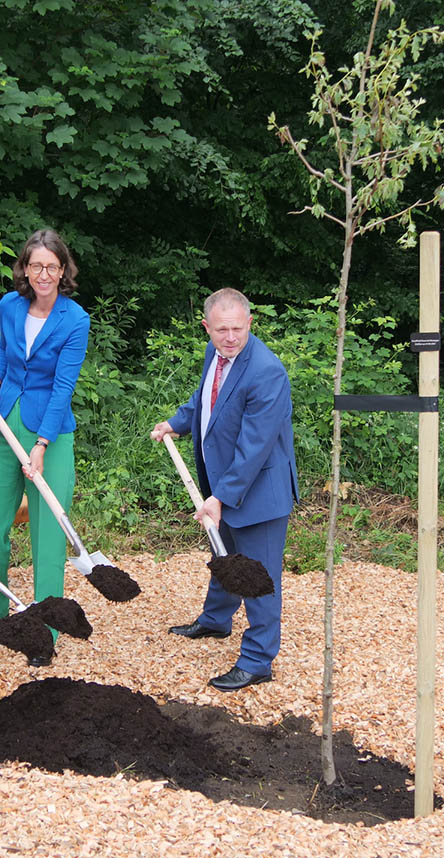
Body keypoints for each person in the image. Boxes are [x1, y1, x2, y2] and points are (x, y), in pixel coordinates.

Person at [150, 288, 298, 691]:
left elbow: (255, 447)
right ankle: (216, 621)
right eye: (221, 330)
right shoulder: (214, 354)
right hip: (224, 483)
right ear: (207, 328)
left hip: (259, 491)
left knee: (258, 576)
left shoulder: (266, 371)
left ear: (250, 323)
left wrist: (220, 496)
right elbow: (205, 401)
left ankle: (257, 659)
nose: (230, 337)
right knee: (224, 554)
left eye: (237, 329)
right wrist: (176, 423)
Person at [0, 229, 90, 666]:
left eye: (52, 267)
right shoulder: (9, 305)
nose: (43, 274)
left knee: (47, 536)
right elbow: (3, 350)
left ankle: (46, 631)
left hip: (50, 433)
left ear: (63, 271)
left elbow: (63, 386)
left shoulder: (75, 320)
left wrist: (42, 443)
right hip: (6, 424)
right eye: (35, 265)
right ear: (24, 268)